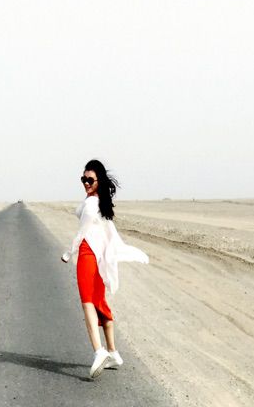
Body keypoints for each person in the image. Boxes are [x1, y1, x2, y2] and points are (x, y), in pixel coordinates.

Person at [61, 159, 149, 379]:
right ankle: (113, 352)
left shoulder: (92, 204)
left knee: (87, 302)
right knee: (99, 302)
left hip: (88, 254)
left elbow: (81, 234)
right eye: (83, 179)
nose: (85, 183)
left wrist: (68, 253)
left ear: (99, 181)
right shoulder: (99, 202)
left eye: (90, 180)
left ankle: (99, 352)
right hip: (99, 258)